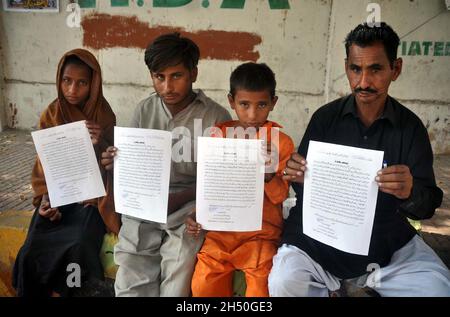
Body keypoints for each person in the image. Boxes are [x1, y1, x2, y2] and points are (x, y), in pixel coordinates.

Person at [268, 22, 450, 297]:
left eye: (375, 69)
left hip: (384, 242)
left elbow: (425, 207)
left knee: (437, 288)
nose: (364, 82)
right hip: (319, 241)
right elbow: (301, 187)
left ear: (396, 69)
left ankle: (357, 286)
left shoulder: (410, 128)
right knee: (285, 281)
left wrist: (409, 192)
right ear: (346, 67)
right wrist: (299, 175)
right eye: (356, 69)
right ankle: (345, 286)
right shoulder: (325, 119)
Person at [100, 33, 231, 297]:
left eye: (176, 76)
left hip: (189, 210)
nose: (167, 86)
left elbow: (218, 180)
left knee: (179, 272)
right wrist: (117, 164)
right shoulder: (144, 110)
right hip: (145, 206)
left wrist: (179, 198)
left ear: (193, 73)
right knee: (131, 277)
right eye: (159, 77)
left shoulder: (216, 117)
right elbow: (134, 168)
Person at [13, 49, 120, 297]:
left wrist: (100, 142)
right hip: (58, 199)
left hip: (90, 200)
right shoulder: (52, 114)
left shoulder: (103, 115)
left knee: (80, 245)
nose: (72, 89)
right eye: (67, 81)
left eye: (82, 83)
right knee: (30, 252)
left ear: (93, 84)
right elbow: (43, 166)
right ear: (59, 80)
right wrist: (45, 199)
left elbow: (115, 164)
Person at [185, 62, 294, 297]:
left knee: (260, 291)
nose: (252, 115)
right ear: (231, 101)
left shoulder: (280, 143)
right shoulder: (219, 136)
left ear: (273, 103)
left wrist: (267, 174)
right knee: (202, 285)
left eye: (261, 105)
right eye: (244, 105)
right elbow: (210, 188)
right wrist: (197, 215)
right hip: (221, 232)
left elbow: (280, 196)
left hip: (260, 235)